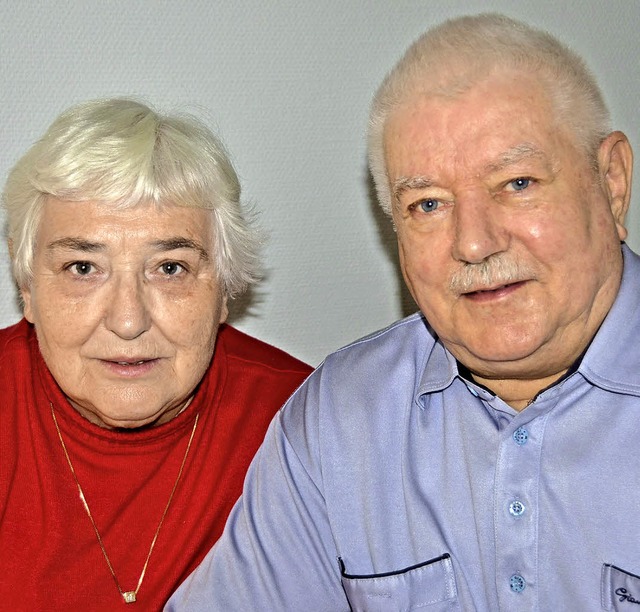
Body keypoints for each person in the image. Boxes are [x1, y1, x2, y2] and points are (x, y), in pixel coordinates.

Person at [166, 13, 639, 611]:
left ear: (612, 181)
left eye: (516, 183)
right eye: (428, 203)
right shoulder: (338, 420)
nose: (473, 242)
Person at [0, 98, 311, 611]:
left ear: (224, 290)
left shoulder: (304, 426)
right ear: (27, 285)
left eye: (169, 269)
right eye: (82, 267)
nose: (128, 321)